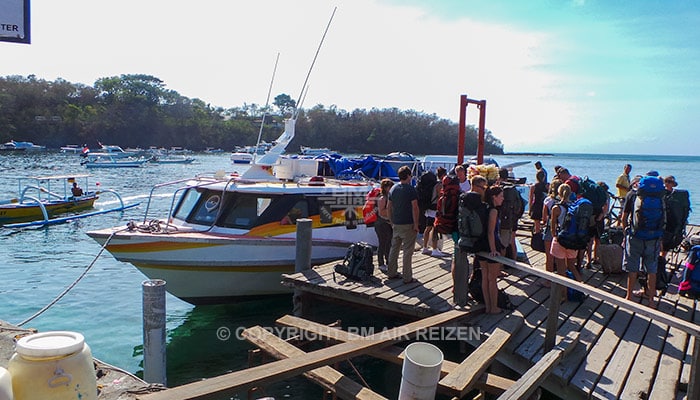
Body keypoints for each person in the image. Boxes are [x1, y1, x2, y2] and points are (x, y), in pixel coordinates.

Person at [621, 171, 663, 308]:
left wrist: (625, 232)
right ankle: (651, 300)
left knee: (632, 267)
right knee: (652, 269)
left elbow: (624, 218)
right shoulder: (660, 197)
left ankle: (629, 296)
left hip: (635, 236)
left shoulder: (632, 195)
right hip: (654, 237)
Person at [386, 166, 420, 284]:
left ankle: (391, 272)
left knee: (394, 249)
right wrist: (416, 224)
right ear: (408, 176)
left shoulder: (393, 189)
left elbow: (388, 207)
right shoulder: (411, 190)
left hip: (396, 223)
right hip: (408, 224)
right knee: (407, 251)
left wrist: (391, 221)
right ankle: (407, 277)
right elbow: (415, 208)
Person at [550, 184, 583, 290]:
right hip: (573, 240)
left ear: (559, 193)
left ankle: (563, 295)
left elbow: (553, 228)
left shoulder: (556, 208)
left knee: (561, 270)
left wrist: (555, 237)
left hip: (560, 240)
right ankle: (581, 288)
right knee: (572, 267)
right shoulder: (575, 207)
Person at [483, 185, 505, 314]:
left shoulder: (484, 207)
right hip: (491, 245)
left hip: (482, 245)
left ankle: (487, 306)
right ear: (494, 197)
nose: (502, 199)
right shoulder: (493, 211)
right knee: (492, 279)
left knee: (486, 278)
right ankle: (494, 307)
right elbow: (491, 232)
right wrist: (493, 249)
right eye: (501, 196)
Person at [540, 178, 563, 287]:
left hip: (550, 229)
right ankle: (561, 279)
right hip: (563, 231)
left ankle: (548, 280)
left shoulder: (548, 201)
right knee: (561, 257)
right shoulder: (565, 201)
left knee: (549, 257)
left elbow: (544, 218)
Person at [422, 167, 447, 256]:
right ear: (443, 175)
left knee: (428, 228)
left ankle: (425, 247)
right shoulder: (439, 185)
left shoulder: (433, 184)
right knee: (435, 229)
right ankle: (435, 249)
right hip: (435, 209)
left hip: (429, 208)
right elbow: (441, 197)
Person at [374, 179, 394, 271]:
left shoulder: (390, 197)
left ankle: (388, 261)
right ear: (385, 188)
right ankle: (381, 263)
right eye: (390, 186)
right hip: (381, 223)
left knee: (388, 243)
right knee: (382, 243)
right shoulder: (382, 198)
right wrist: (391, 210)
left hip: (388, 223)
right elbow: (381, 212)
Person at [529, 169, 548, 233]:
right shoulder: (547, 186)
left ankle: (537, 239)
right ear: (544, 177)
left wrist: (530, 209)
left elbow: (531, 199)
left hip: (536, 206)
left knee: (537, 225)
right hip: (544, 206)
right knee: (545, 223)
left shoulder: (533, 186)